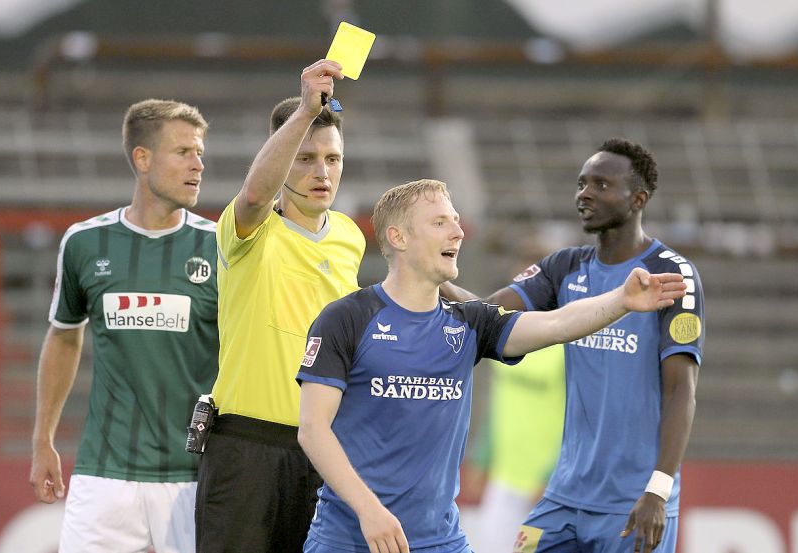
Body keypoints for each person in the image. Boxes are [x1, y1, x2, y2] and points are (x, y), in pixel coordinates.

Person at [296, 179, 687, 553]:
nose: (458, 231)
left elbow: (555, 323)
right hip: (348, 539)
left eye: (455, 219)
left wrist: (621, 299)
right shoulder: (346, 319)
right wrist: (369, 511)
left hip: (440, 543)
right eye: (440, 222)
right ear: (398, 238)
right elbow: (313, 430)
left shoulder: (470, 321)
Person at [442, 139, 704, 553]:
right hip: (563, 497)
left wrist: (658, 489)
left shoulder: (670, 274)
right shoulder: (564, 267)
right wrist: (434, 277)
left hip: (632, 500)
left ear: (638, 198)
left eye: (602, 185)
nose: (585, 193)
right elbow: (485, 315)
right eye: (582, 184)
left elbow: (681, 389)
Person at [29, 99, 218, 553]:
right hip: (104, 475)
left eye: (200, 154)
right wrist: (43, 439)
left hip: (194, 474)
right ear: (142, 158)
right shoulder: (85, 242)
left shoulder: (220, 248)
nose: (198, 165)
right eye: (184, 152)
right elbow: (64, 334)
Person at [194, 59, 366, 553]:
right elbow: (254, 193)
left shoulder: (350, 239)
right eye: (305, 157)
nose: (321, 172)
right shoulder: (247, 229)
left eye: (332, 159)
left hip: (325, 450)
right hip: (246, 448)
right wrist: (305, 112)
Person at [462, 343, 565, 553]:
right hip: (503, 479)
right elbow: (498, 402)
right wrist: (482, 458)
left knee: (528, 550)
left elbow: (579, 418)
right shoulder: (509, 337)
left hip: (544, 489)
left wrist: (553, 475)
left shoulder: (568, 343)